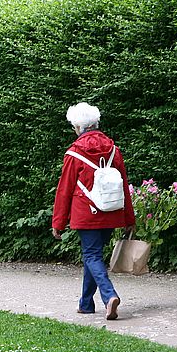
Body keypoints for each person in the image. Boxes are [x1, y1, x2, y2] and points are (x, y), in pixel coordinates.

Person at [51, 102, 135, 320]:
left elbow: (64, 190)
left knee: (91, 255)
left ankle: (109, 296)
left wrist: (58, 223)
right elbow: (124, 184)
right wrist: (129, 218)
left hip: (87, 213)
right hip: (112, 211)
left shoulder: (74, 153)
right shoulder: (114, 150)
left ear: (79, 127)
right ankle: (86, 303)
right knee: (94, 255)